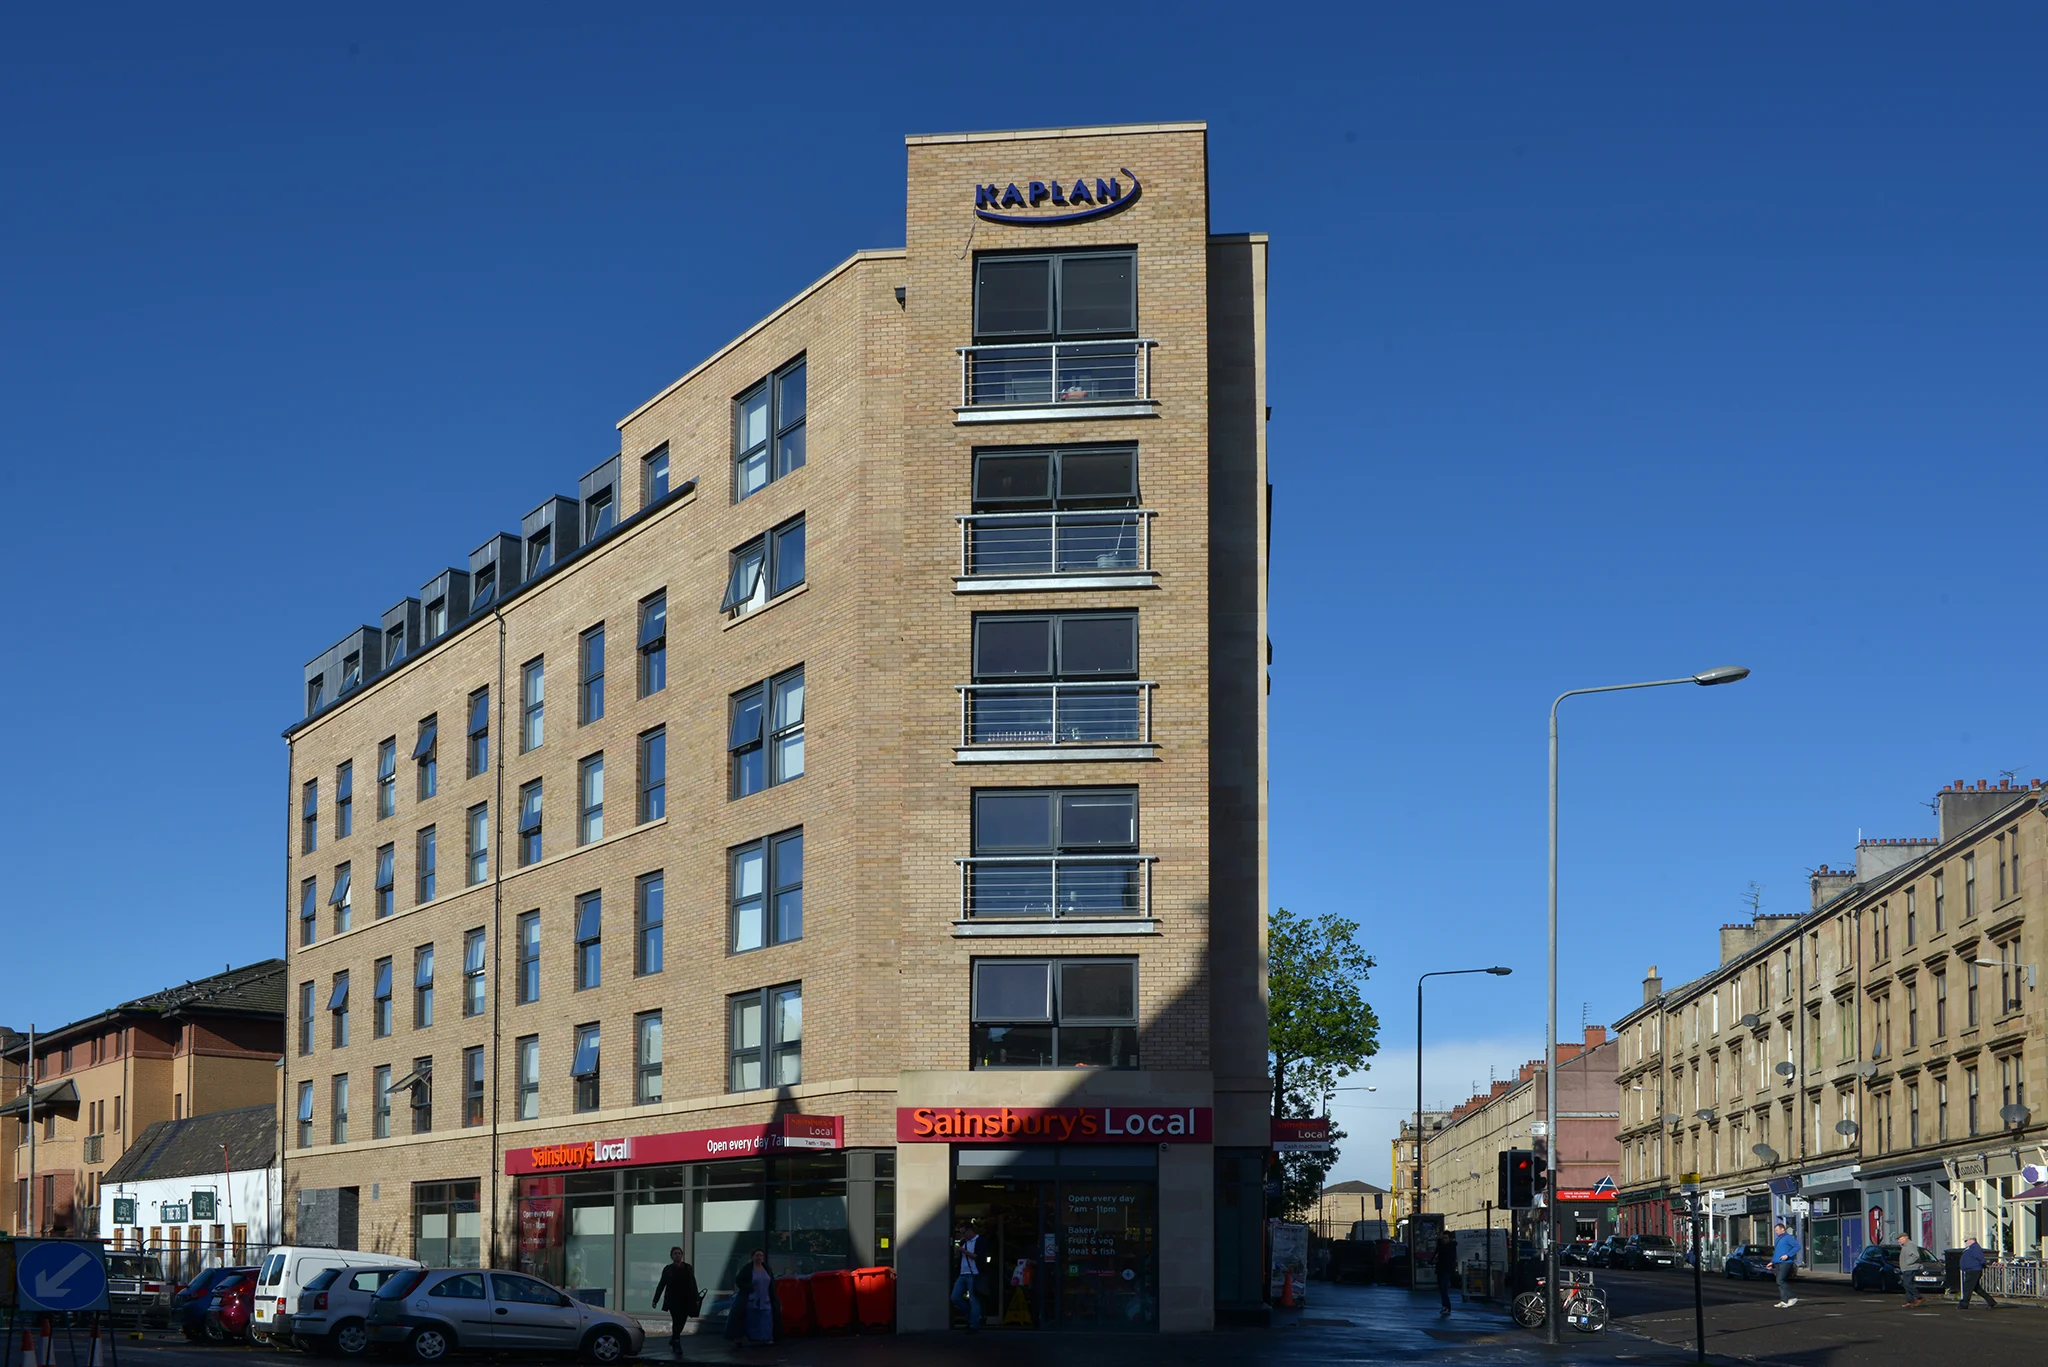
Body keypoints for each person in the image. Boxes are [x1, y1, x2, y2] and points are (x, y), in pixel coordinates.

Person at [652, 1246, 699, 1357]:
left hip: (686, 1299)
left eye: (679, 1253)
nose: (677, 1255)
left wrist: (696, 1298)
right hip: (673, 1300)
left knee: (682, 1321)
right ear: (671, 1256)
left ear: (682, 1255)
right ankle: (677, 1343)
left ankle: (674, 1338)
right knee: (676, 1321)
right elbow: (661, 1285)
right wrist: (655, 1300)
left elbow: (693, 1283)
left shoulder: (688, 1268)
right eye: (675, 1253)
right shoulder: (668, 1269)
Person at [729, 1249, 778, 1344]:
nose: (759, 1258)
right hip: (752, 1299)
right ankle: (753, 1337)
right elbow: (739, 1280)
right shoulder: (747, 1269)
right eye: (757, 1255)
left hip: (765, 1298)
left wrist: (774, 1296)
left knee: (766, 1318)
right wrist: (749, 1287)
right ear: (752, 1257)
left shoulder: (766, 1268)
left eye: (761, 1256)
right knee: (752, 1319)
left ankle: (766, 1338)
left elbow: (771, 1282)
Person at [951, 1220, 985, 1332]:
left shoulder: (979, 1241)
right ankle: (971, 1318)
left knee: (974, 1300)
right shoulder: (963, 1242)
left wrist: (964, 1251)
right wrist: (958, 1251)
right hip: (963, 1273)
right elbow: (957, 1257)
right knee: (955, 1297)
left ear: (970, 1231)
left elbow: (978, 1256)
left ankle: (974, 1325)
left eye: (963, 1233)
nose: (962, 1235)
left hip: (973, 1274)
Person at [1958, 1237, 1998, 1310]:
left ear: (1972, 1240)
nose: (1965, 1242)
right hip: (1970, 1270)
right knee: (1976, 1288)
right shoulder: (1970, 1248)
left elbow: (1981, 1258)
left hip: (1974, 1270)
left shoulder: (1975, 1248)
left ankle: (1963, 1304)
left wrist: (1983, 1264)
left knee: (1967, 1287)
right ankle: (1991, 1301)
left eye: (1966, 1240)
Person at [1769, 1222, 1800, 1308]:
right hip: (1778, 1262)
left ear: (1783, 1229)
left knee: (1780, 1280)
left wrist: (1788, 1255)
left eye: (1777, 1230)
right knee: (1779, 1281)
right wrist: (1772, 1262)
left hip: (1785, 1262)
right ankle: (1784, 1300)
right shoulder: (1778, 1239)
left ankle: (1792, 1296)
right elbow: (1776, 1252)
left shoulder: (1788, 1238)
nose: (1776, 1232)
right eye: (1775, 1230)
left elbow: (1797, 1246)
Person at [1894, 1233, 1926, 1308]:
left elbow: (1916, 1256)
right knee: (1906, 1284)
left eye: (1900, 1239)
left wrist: (1907, 1263)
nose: (1899, 1241)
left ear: (1906, 1238)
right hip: (1906, 1268)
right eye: (1898, 1239)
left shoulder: (1910, 1245)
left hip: (1911, 1268)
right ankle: (1910, 1302)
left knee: (1907, 1284)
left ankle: (1919, 1297)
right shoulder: (1904, 1246)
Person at [1435, 1230, 1457, 1315]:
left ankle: (1447, 1306)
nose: (1444, 1240)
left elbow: (1450, 1258)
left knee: (1443, 1287)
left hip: (1448, 1269)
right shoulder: (1440, 1246)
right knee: (1441, 1288)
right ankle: (1445, 1305)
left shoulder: (1451, 1247)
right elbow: (1436, 1255)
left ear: (1449, 1239)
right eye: (1443, 1238)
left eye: (1446, 1238)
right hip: (1441, 1269)